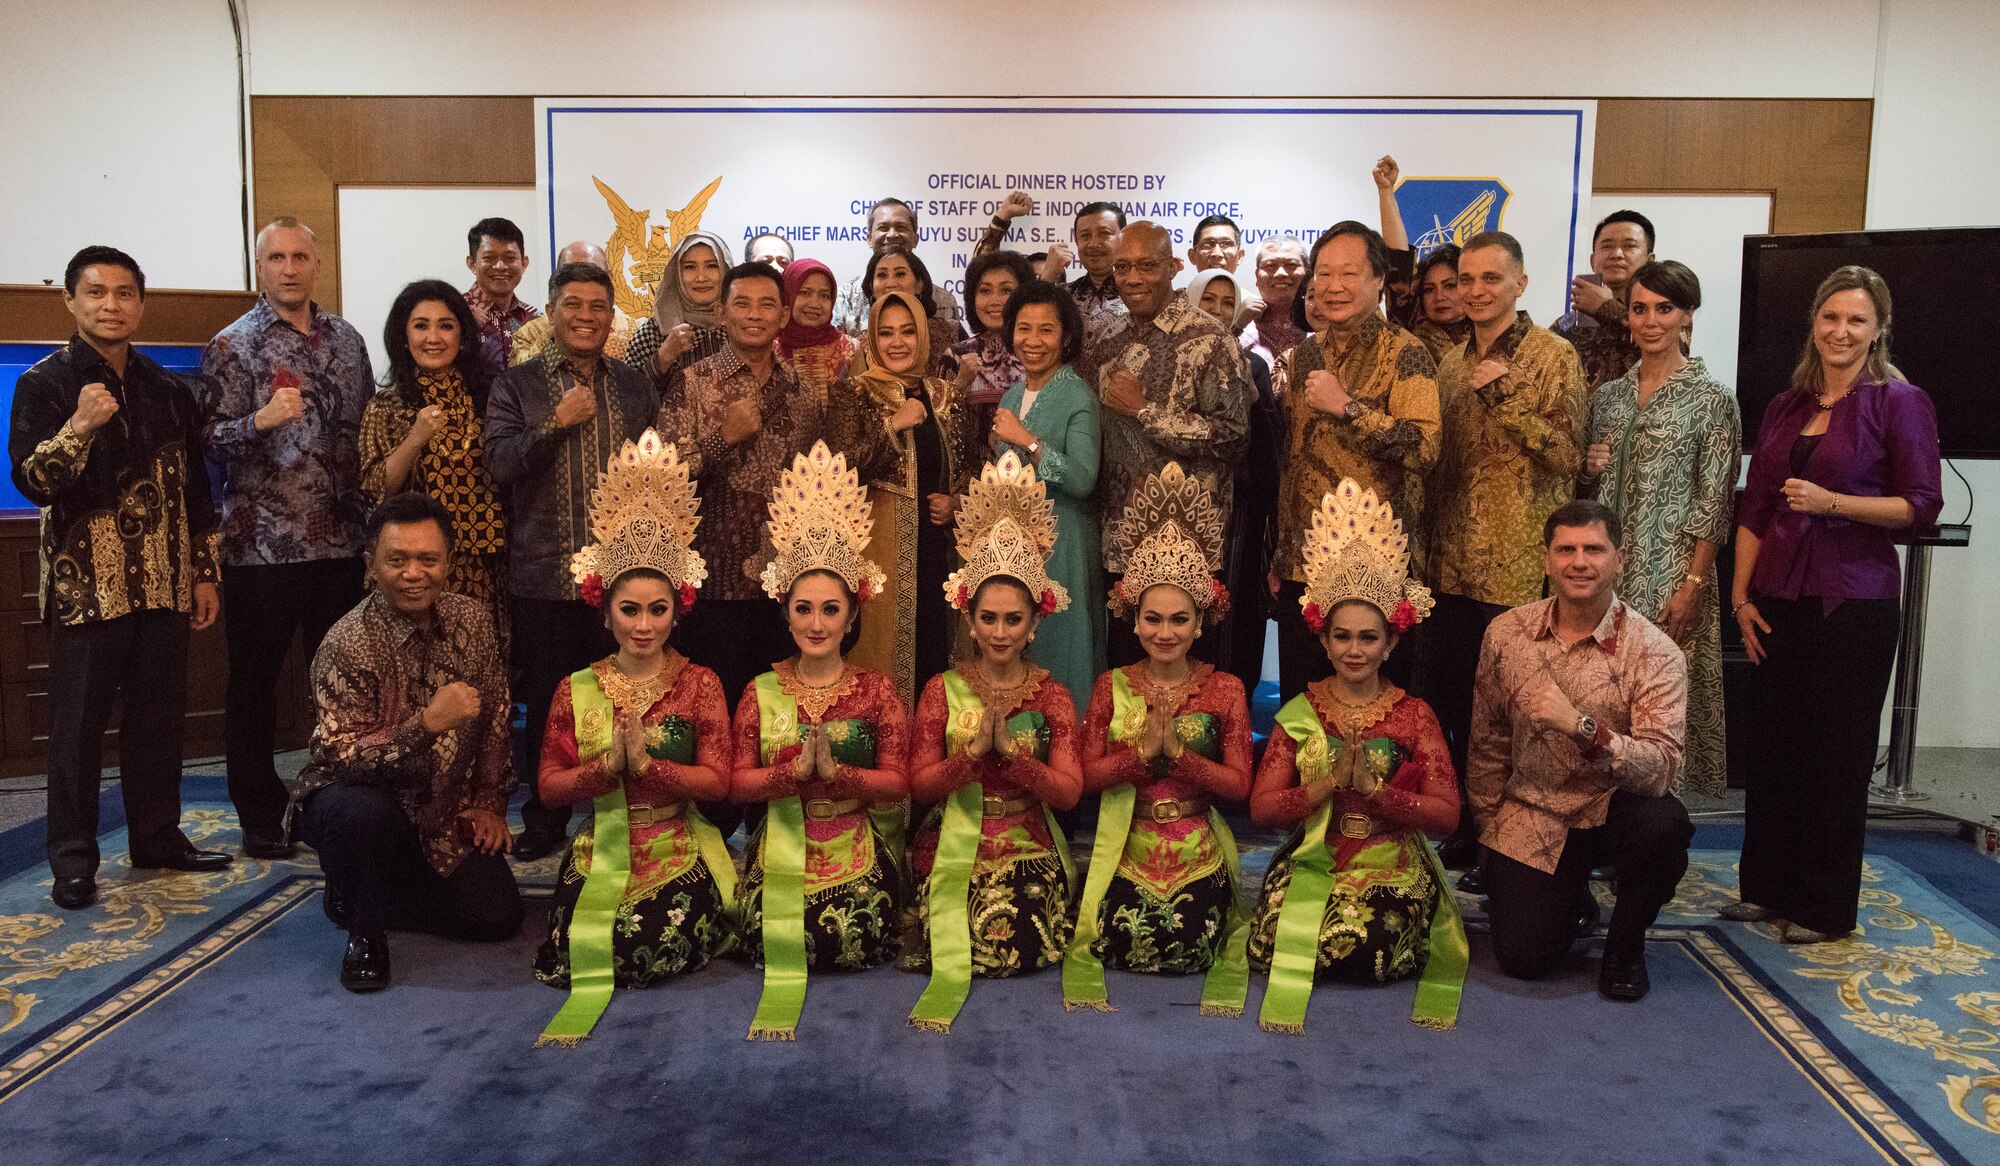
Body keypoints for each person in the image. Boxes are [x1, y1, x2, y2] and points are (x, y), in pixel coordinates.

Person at [1724, 266, 1942, 944]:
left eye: (1856, 320)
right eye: (1830, 318)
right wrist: (1739, 594)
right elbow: (1756, 503)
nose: (1841, 331)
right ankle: (1765, 889)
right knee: (1776, 749)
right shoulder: (1786, 404)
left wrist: (1834, 503)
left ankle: (1821, 907)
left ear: (1878, 330)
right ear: (1813, 325)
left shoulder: (1899, 402)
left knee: (1836, 756)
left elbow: (1921, 506)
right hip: (1779, 597)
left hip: (1855, 604)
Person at [9, 245, 229, 910]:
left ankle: (157, 836)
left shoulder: (168, 389)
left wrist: (204, 574)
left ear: (141, 302)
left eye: (125, 293)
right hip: (85, 592)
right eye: (97, 293)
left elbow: (197, 491)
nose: (112, 305)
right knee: (76, 731)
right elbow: (33, 482)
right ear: (71, 302)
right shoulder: (44, 384)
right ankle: (73, 859)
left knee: (158, 722)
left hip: (161, 584)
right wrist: (78, 427)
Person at [532, 430, 737, 1045]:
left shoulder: (700, 683)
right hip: (601, 840)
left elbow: (719, 782)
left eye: (657, 609)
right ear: (604, 610)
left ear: (679, 610)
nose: (643, 624)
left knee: (651, 935)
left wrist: (652, 768)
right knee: (581, 935)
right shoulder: (576, 688)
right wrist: (605, 773)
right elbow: (547, 788)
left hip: (680, 836)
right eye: (630, 609)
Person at [1248, 479, 1466, 1032]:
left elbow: (1446, 816)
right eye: (1341, 636)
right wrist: (1324, 788)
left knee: (1361, 940)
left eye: (1368, 638)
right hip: (1314, 855)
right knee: (1274, 937)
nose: (1354, 650)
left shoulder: (1414, 713)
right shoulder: (1303, 708)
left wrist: (1376, 793)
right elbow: (1262, 809)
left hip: (1389, 860)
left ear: (1391, 643)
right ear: (1322, 640)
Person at [286, 493, 520, 992]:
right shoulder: (346, 642)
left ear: (449, 563)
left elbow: (497, 711)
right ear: (371, 566)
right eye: (397, 560)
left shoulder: (473, 620)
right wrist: (426, 725)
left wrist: (487, 803)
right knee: (362, 815)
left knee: (496, 917)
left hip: (438, 808)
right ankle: (364, 933)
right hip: (354, 799)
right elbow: (343, 756)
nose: (414, 572)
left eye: (428, 559)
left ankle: (361, 888)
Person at [201, 217, 372, 859]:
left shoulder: (348, 342)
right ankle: (258, 813)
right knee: (256, 685)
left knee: (343, 683)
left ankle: (339, 801)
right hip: (262, 547)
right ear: (260, 264)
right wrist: (258, 420)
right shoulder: (231, 345)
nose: (290, 267)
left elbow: (365, 435)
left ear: (317, 261)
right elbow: (207, 439)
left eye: (300, 255)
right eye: (276, 256)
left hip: (341, 545)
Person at [1470, 500, 1690, 1000]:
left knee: (1663, 825)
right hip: (1534, 810)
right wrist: (1489, 837)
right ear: (1546, 560)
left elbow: (1661, 770)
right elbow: (1487, 745)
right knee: (1524, 961)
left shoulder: (1656, 651)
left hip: (1613, 809)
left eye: (1594, 549)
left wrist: (1584, 728)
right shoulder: (1506, 634)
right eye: (1565, 549)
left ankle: (1624, 949)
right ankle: (1570, 900)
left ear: (1620, 558)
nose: (1579, 562)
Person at [730, 442, 912, 1039]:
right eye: (803, 608)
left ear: (852, 616)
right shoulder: (760, 689)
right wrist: (792, 777)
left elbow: (898, 783)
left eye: (830, 610)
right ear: (785, 612)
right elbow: (737, 783)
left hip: (853, 835)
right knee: (767, 927)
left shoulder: (877, 691)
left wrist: (841, 778)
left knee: (853, 930)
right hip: (782, 837)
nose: (816, 623)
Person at [1421, 231, 1586, 872]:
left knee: (1518, 714)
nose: (1476, 291)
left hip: (1518, 564)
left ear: (1520, 283)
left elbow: (1569, 457)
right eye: (1466, 280)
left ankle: (1517, 840)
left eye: (1491, 279)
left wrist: (1504, 399)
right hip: (1450, 562)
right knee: (1459, 704)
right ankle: (1469, 823)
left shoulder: (1554, 356)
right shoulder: (1449, 362)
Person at [1064, 462, 1254, 1015]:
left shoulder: (1225, 689)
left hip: (1197, 839)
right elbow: (1084, 780)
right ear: (1133, 619)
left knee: (1190, 942)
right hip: (1126, 843)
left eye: (1179, 620)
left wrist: (1181, 759)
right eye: (1152, 618)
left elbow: (1240, 785)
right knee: (1120, 938)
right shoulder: (1112, 685)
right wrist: (1139, 757)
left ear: (1201, 622)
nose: (1164, 633)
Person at [904, 452, 1083, 1033]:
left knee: (1019, 914)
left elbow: (1069, 794)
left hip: (1027, 835)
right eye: (989, 618)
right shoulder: (943, 688)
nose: (1000, 632)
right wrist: (972, 758)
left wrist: (1015, 762)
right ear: (970, 618)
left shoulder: (1052, 696)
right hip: (955, 831)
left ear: (1035, 622)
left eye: (1013, 619)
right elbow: (919, 785)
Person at [486, 261, 659, 860]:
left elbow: (658, 470)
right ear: (552, 310)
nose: (585, 316)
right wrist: (554, 424)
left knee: (629, 696)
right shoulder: (518, 385)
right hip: (546, 572)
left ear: (612, 316)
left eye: (597, 307)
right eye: (572, 305)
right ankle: (546, 816)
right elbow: (501, 464)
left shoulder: (636, 385)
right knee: (550, 704)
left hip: (624, 578)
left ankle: (632, 807)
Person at [1578, 261, 1740, 798]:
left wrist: (1692, 585)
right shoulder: (1608, 397)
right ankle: (1598, 833)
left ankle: (1652, 841)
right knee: (1601, 697)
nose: (1650, 321)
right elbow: (1589, 493)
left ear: (1687, 316)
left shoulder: (1712, 399)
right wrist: (1591, 466)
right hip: (1606, 578)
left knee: (1657, 705)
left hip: (1671, 573)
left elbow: (1714, 501)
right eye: (1639, 309)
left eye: (1664, 309)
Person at [1273, 221, 1441, 698]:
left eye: (1348, 274)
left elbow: (1424, 448)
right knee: (1304, 709)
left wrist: (1349, 408)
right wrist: (1281, 552)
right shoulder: (1304, 354)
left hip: (1379, 570)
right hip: (1305, 567)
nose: (1333, 287)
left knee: (1380, 718)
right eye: (1323, 274)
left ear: (1379, 280)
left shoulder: (1407, 352)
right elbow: (1293, 458)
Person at [658, 261, 825, 708]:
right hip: (712, 579)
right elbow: (663, 480)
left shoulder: (803, 392)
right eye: (742, 304)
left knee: (775, 710)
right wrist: (721, 439)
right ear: (720, 313)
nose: (754, 315)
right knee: (714, 705)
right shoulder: (692, 382)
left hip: (782, 581)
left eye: (767, 304)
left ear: (783, 317)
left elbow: (812, 485)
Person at [1089, 222, 1252, 666]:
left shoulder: (1209, 337)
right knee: (1125, 673)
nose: (1133, 278)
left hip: (1191, 542)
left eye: (1146, 266)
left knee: (1194, 684)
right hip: (1122, 539)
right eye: (1123, 267)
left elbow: (1235, 437)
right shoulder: (1106, 338)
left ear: (1174, 267)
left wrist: (1147, 412)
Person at [823, 291, 979, 707]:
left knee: (937, 646)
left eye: (908, 332)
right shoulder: (853, 394)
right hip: (878, 548)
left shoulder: (949, 397)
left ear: (923, 335)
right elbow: (838, 467)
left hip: (940, 550)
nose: (897, 342)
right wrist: (893, 424)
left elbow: (972, 473)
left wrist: (956, 503)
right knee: (881, 652)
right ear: (872, 338)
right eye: (886, 333)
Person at [358, 280, 509, 654]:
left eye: (446, 325)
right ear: (403, 336)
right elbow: (377, 489)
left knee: (479, 666)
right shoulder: (387, 406)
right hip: (414, 566)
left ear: (463, 335)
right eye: (420, 325)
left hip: (484, 565)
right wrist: (415, 438)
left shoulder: (490, 399)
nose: (433, 337)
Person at [988, 280, 1103, 718]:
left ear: (1066, 337)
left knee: (1062, 647)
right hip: (1017, 544)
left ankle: (1067, 762)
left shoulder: (1077, 395)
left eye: (1046, 330)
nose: (1032, 341)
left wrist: (1028, 441)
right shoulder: (1014, 394)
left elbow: (1082, 478)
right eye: (1023, 328)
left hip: (1065, 540)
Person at [1186, 269, 1280, 693]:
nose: (1218, 311)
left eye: (1228, 303)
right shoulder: (1166, 358)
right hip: (1178, 505)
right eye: (1209, 299)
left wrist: (1257, 403)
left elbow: (1269, 450)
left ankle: (1232, 713)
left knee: (1233, 613)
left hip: (1238, 510)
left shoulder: (1254, 364)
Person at [1374, 156, 1472, 361]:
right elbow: (1398, 258)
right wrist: (1386, 192)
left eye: (1449, 286)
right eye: (1429, 289)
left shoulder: (1487, 332)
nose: (1439, 297)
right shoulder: (1410, 327)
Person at [624, 230, 733, 407]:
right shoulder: (654, 332)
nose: (701, 277)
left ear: (725, 270)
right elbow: (628, 399)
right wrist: (664, 356)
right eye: (690, 267)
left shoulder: (738, 325)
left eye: (712, 266)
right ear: (677, 273)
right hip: (668, 432)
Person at [1553, 210, 1656, 392]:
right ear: (1593, 261)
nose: (1616, 254)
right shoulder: (1567, 324)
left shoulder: (1665, 311)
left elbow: (1676, 348)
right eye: (1607, 246)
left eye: (1629, 246)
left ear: (1650, 261)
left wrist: (1607, 307)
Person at [833, 198, 965, 336]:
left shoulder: (944, 300)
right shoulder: (843, 299)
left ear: (915, 239)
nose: (892, 235)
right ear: (869, 239)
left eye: (901, 227)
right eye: (883, 228)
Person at [948, 248, 1035, 438]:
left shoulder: (1039, 351)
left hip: (1032, 462)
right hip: (972, 466)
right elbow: (939, 425)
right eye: (985, 291)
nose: (994, 300)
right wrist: (960, 385)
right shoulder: (955, 355)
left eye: (1006, 290)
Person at [509, 241, 635, 365]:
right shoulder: (529, 334)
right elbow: (519, 377)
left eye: (592, 272)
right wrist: (554, 332)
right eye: (570, 273)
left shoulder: (631, 330)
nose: (581, 281)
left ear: (609, 277)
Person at [856, 247, 961, 371]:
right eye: (882, 275)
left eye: (900, 274)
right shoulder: (858, 344)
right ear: (872, 288)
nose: (891, 283)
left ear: (919, 285)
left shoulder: (950, 332)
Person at [777, 258, 858, 405]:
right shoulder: (769, 347)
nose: (815, 304)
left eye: (824, 295)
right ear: (788, 295)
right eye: (805, 293)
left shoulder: (850, 348)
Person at [462, 216, 538, 372]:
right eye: (489, 258)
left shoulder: (535, 320)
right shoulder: (455, 313)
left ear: (524, 263)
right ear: (472, 264)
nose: (500, 266)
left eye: (510, 258)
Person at [1240, 237, 1307, 370]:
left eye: (1291, 265)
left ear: (1308, 273)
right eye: (1270, 266)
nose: (1280, 273)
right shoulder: (1239, 331)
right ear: (1256, 276)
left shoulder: (1325, 327)